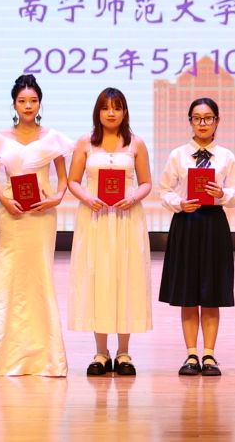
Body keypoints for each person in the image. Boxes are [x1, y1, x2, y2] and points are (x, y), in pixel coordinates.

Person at [0, 74, 74, 377]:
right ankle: (0, 348)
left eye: (33, 101)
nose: (28, 106)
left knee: (39, 275)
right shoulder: (0, 138)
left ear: (40, 103)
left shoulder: (52, 138)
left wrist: (56, 198)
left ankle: (42, 355)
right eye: (22, 101)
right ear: (14, 104)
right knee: (8, 271)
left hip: (42, 214)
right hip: (12, 213)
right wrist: (5, 201)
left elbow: (63, 180)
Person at [68, 87, 155, 377]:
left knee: (125, 278)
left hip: (126, 219)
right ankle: (101, 352)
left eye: (116, 107)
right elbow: (73, 181)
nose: (111, 113)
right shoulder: (85, 142)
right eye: (105, 108)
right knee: (99, 279)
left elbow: (146, 182)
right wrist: (87, 197)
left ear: (125, 112)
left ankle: (124, 352)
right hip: (95, 219)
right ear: (98, 112)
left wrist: (133, 197)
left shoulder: (135, 143)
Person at [157, 96, 235, 377]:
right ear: (190, 122)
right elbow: (164, 190)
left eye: (208, 118)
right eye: (197, 118)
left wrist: (222, 194)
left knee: (212, 293)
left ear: (217, 121)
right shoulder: (178, 155)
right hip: (187, 223)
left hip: (214, 224)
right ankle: (191, 354)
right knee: (189, 293)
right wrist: (179, 203)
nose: (202, 123)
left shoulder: (226, 156)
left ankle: (210, 355)